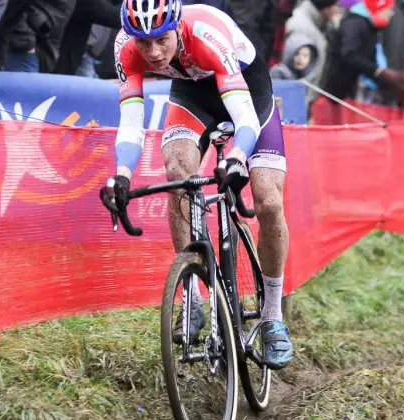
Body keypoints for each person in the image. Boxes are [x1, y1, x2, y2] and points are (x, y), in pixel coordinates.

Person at [100, 0, 293, 369]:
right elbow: (131, 120)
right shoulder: (126, 46)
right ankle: (192, 296)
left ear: (176, 25)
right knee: (178, 173)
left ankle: (272, 317)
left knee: (268, 201)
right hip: (192, 97)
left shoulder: (206, 32)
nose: (153, 52)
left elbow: (246, 121)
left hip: (248, 98)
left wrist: (236, 157)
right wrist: (121, 174)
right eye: (144, 42)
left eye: (161, 39)